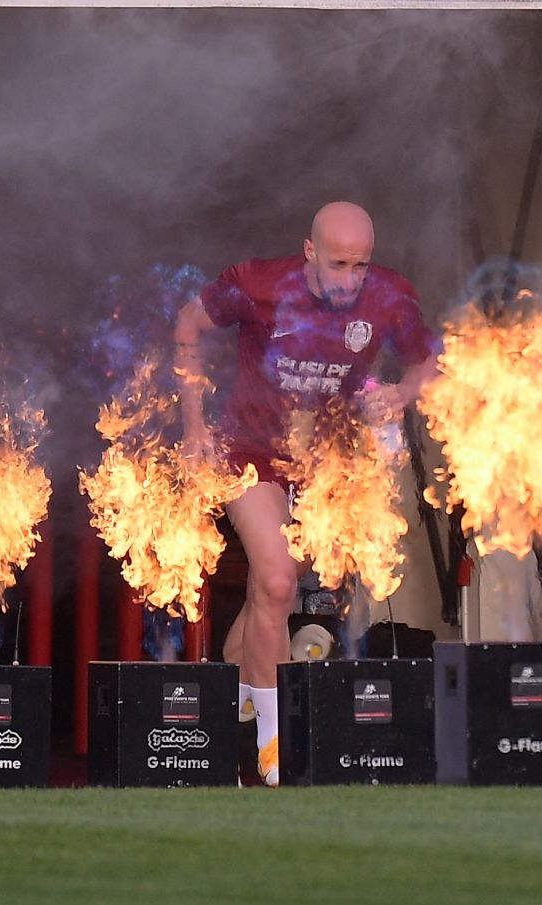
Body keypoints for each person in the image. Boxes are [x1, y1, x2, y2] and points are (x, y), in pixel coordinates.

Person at [173, 201, 438, 786]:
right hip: (250, 456)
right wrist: (193, 427)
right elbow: (187, 324)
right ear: (310, 250)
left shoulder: (389, 296)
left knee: (274, 601)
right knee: (276, 582)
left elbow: (429, 361)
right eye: (339, 264)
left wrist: (400, 392)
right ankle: (272, 750)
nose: (350, 280)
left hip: (324, 464)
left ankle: (235, 695)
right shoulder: (257, 282)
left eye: (361, 267)